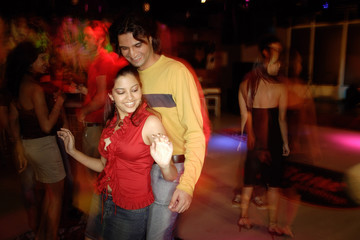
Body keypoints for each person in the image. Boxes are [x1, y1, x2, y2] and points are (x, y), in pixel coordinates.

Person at [57, 65, 178, 240]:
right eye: (121, 92)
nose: (130, 97)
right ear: (111, 96)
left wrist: (166, 164)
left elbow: (171, 175)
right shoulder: (110, 124)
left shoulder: (150, 122)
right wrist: (72, 151)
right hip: (102, 197)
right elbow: (103, 166)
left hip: (130, 209)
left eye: (134, 90)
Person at [115, 12, 207, 239]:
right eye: (124, 48)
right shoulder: (129, 76)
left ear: (151, 39)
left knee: (156, 235)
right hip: (137, 169)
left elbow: (196, 133)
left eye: (138, 45)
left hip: (170, 169)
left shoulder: (176, 72)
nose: (132, 54)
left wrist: (187, 185)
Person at [6, 41, 66, 240]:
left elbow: (14, 121)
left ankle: (42, 235)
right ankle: (52, 237)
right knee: (56, 196)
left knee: (48, 194)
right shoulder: (36, 89)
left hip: (28, 146)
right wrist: (58, 104)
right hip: (44, 146)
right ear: (30, 63)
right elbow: (47, 126)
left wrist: (18, 148)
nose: (45, 62)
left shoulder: (17, 86)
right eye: (41, 59)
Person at [237, 35, 290, 235]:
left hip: (254, 141)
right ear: (266, 62)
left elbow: (244, 117)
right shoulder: (280, 88)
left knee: (249, 181)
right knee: (274, 185)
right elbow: (282, 119)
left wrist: (246, 138)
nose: (280, 65)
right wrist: (285, 142)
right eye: (276, 61)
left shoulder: (245, 86)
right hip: (273, 141)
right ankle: (273, 223)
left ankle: (243, 217)